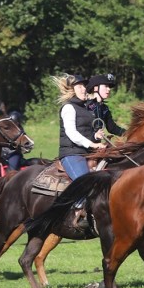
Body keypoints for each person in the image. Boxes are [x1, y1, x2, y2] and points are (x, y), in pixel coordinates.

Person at [54, 73, 106, 228]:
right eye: (80, 86)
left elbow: (84, 130)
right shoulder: (68, 108)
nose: (84, 89)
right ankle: (78, 213)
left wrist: (95, 135)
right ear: (72, 90)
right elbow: (72, 133)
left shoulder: (85, 108)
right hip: (71, 153)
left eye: (85, 86)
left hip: (87, 152)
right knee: (85, 182)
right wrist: (92, 144)